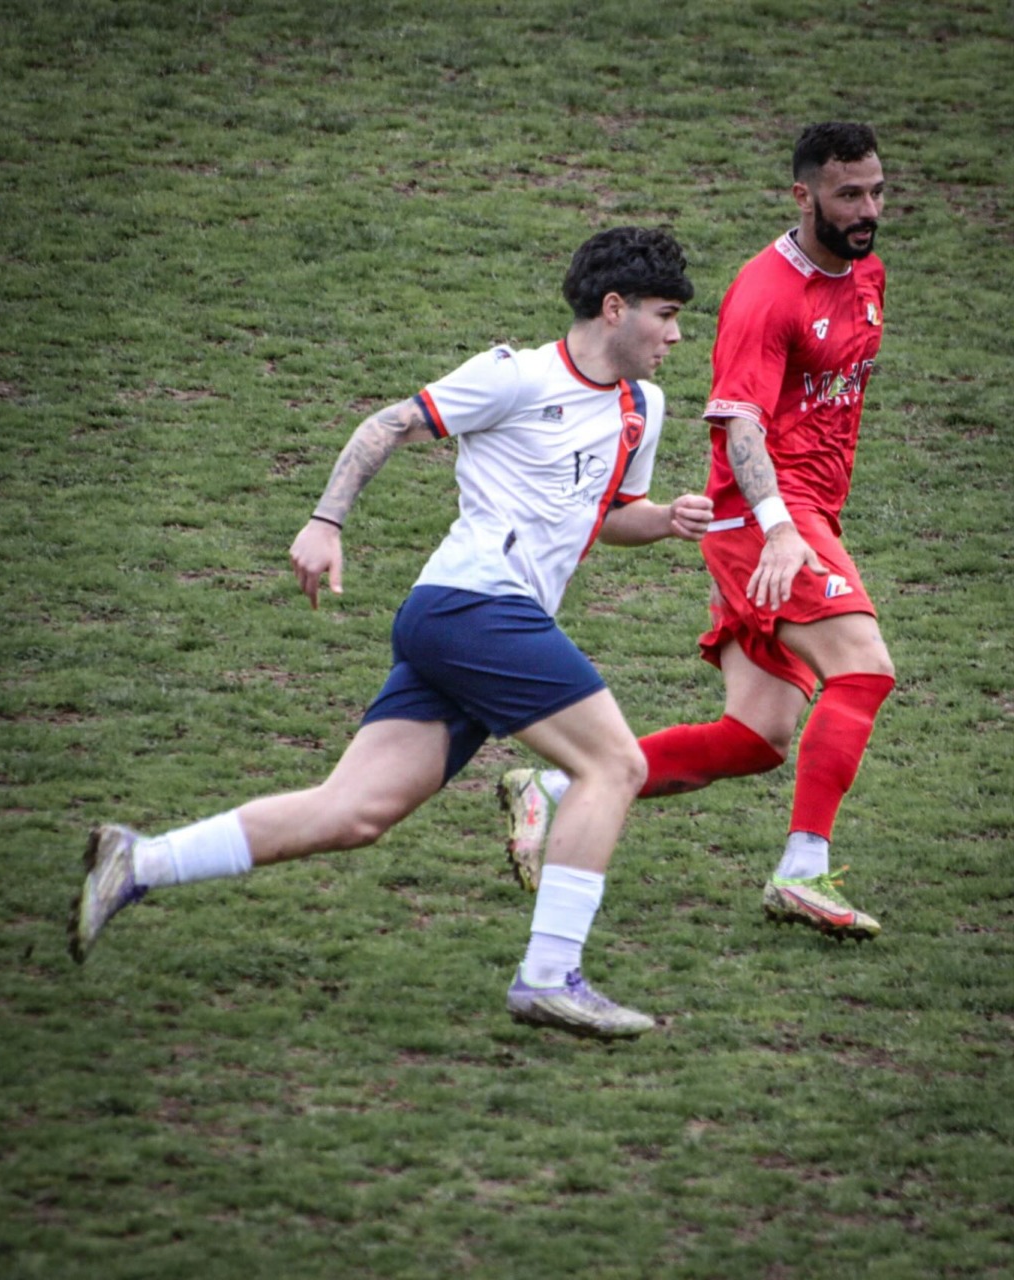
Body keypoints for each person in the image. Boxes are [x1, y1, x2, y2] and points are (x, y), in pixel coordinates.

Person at [68, 226, 713, 1039]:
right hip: (473, 606)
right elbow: (385, 425)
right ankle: (550, 975)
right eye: (665, 314)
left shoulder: (641, 409)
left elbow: (605, 516)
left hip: (473, 627)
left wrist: (664, 521)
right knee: (615, 763)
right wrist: (325, 520)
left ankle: (140, 860)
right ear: (614, 308)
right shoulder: (512, 378)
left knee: (354, 813)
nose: (677, 334)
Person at [499, 122, 894, 943]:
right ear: (804, 195)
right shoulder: (766, 293)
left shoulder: (866, 272)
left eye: (876, 192)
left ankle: (556, 791)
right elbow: (740, 425)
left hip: (805, 512)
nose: (866, 210)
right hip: (768, 517)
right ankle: (802, 871)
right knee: (862, 670)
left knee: (755, 738)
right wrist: (782, 531)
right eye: (848, 194)